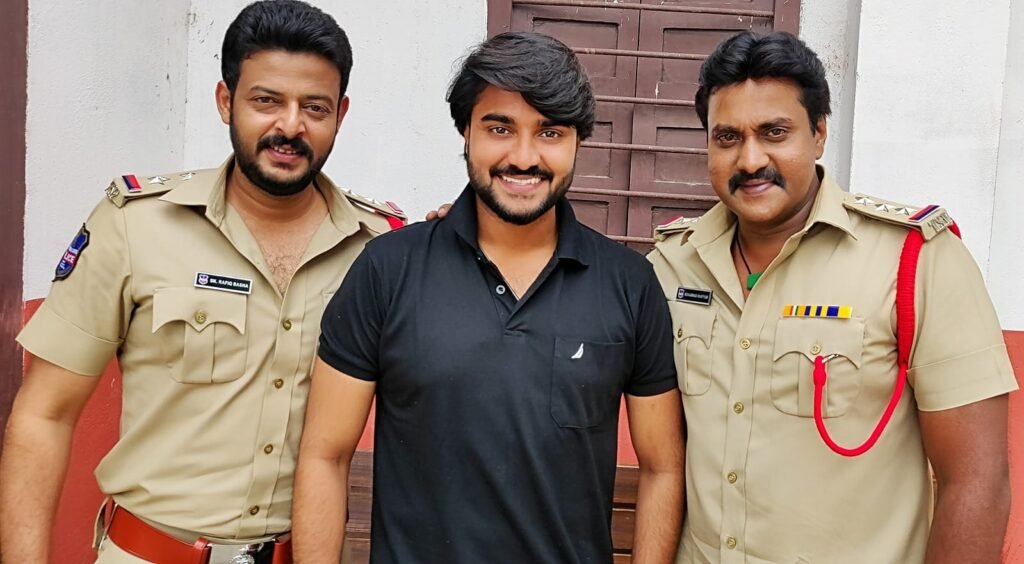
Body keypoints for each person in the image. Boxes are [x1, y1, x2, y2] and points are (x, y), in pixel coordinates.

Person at [0, 1, 404, 562]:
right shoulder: (135, 225)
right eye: (266, 101)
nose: (291, 126)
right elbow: (44, 414)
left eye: (315, 107)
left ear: (341, 113)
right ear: (225, 101)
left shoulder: (380, 248)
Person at [293, 31, 685, 564]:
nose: (523, 157)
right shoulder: (387, 270)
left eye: (550, 132)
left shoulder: (629, 284)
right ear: (466, 132)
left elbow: (663, 468)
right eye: (500, 128)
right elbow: (325, 455)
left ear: (578, 141)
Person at [648, 31, 1017, 563]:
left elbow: (976, 480)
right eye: (727, 137)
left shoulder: (914, 261)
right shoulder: (670, 264)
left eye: (774, 132)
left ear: (819, 132)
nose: (750, 159)